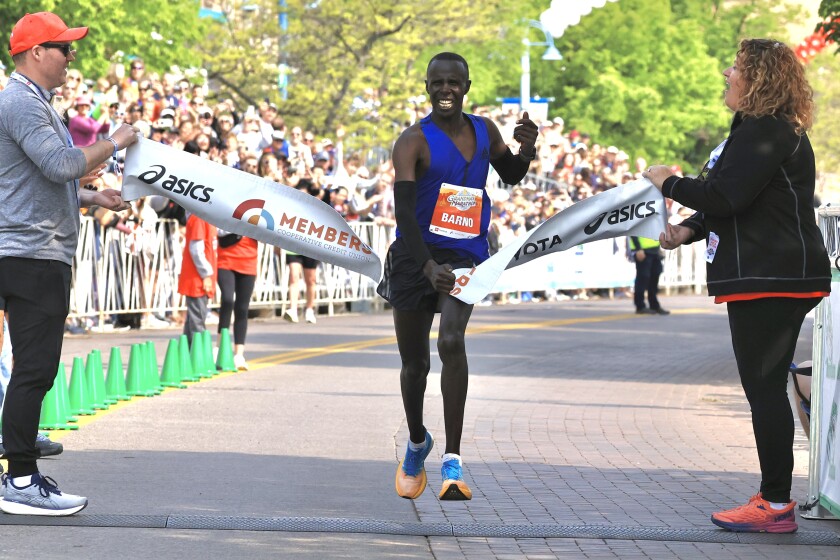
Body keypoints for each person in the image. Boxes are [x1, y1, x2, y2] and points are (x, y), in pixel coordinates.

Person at [644, 38, 830, 533]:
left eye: (736, 67)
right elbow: (738, 201)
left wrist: (668, 182)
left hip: (773, 276)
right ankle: (773, 497)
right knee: (765, 387)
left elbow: (726, 195)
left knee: (764, 389)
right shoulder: (760, 129)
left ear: (759, 78)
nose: (727, 74)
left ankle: (774, 505)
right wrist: (689, 227)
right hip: (776, 274)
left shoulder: (765, 130)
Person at [377, 52, 537, 501]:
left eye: (454, 83)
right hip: (415, 257)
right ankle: (415, 443)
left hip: (466, 255)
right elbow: (404, 215)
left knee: (451, 341)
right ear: (426, 86)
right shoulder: (412, 141)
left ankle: (453, 459)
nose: (445, 90)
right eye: (437, 83)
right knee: (416, 365)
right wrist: (427, 266)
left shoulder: (485, 130)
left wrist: (526, 148)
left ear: (467, 86)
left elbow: (510, 174)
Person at [0, 11, 138, 516]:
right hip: (30, 253)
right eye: (63, 46)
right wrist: (116, 141)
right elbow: (59, 164)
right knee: (35, 370)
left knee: (30, 370)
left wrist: (91, 198)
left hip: (29, 248)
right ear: (36, 52)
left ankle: (18, 468)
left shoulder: (32, 101)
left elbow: (37, 181)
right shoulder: (21, 101)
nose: (71, 56)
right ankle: (18, 480)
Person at [216, 229, 258, 370]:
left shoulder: (260, 212)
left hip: (248, 260)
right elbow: (218, 230)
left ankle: (239, 355)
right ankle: (219, 347)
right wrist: (239, 226)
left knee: (242, 308)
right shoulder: (227, 207)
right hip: (226, 258)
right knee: (227, 299)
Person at [177, 213, 217, 345]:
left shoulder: (206, 217)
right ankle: (198, 359)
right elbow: (196, 250)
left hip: (198, 277)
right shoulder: (199, 218)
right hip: (197, 278)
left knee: (193, 321)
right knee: (197, 323)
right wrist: (206, 275)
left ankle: (188, 356)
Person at [628, 236, 669, 315]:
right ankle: (640, 306)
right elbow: (633, 231)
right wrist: (638, 248)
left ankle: (654, 305)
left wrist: (658, 248)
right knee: (643, 277)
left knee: (655, 275)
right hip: (642, 250)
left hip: (654, 250)